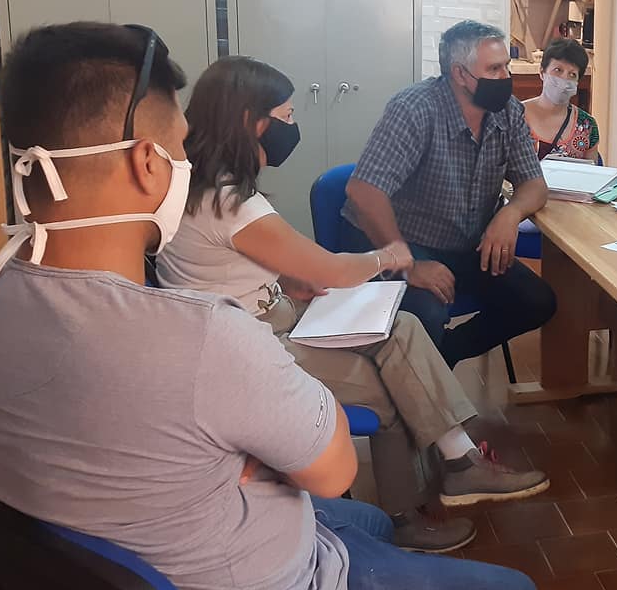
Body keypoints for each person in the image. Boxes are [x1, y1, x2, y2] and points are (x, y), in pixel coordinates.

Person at [0, 22, 534, 590]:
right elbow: (332, 469)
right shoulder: (208, 335)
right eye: (179, 149)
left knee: (394, 354)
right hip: (284, 566)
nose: (187, 164)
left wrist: (232, 449)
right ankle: (429, 488)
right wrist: (249, 442)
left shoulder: (14, 298)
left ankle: (448, 465)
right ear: (147, 165)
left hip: (223, 521)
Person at [155, 55, 549, 548]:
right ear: (251, 122)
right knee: (387, 392)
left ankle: (460, 461)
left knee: (402, 327)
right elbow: (333, 270)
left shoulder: (204, 186)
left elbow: (233, 262)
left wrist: (290, 281)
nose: (293, 125)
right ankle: (403, 520)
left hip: (268, 312)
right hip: (251, 346)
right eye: (287, 115)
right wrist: (390, 256)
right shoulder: (229, 201)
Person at [344, 20, 557, 368]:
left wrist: (510, 214)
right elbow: (363, 191)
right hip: (400, 239)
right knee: (428, 311)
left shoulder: (508, 112)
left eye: (506, 65)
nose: (506, 77)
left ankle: (440, 361)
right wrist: (407, 264)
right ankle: (415, 386)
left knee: (537, 301)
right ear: (460, 74)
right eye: (494, 69)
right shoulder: (415, 109)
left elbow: (534, 184)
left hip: (464, 243)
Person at [523, 38, 600, 161]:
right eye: (558, 70)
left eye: (572, 74)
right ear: (542, 72)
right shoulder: (515, 116)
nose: (564, 79)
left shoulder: (587, 125)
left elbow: (593, 170)